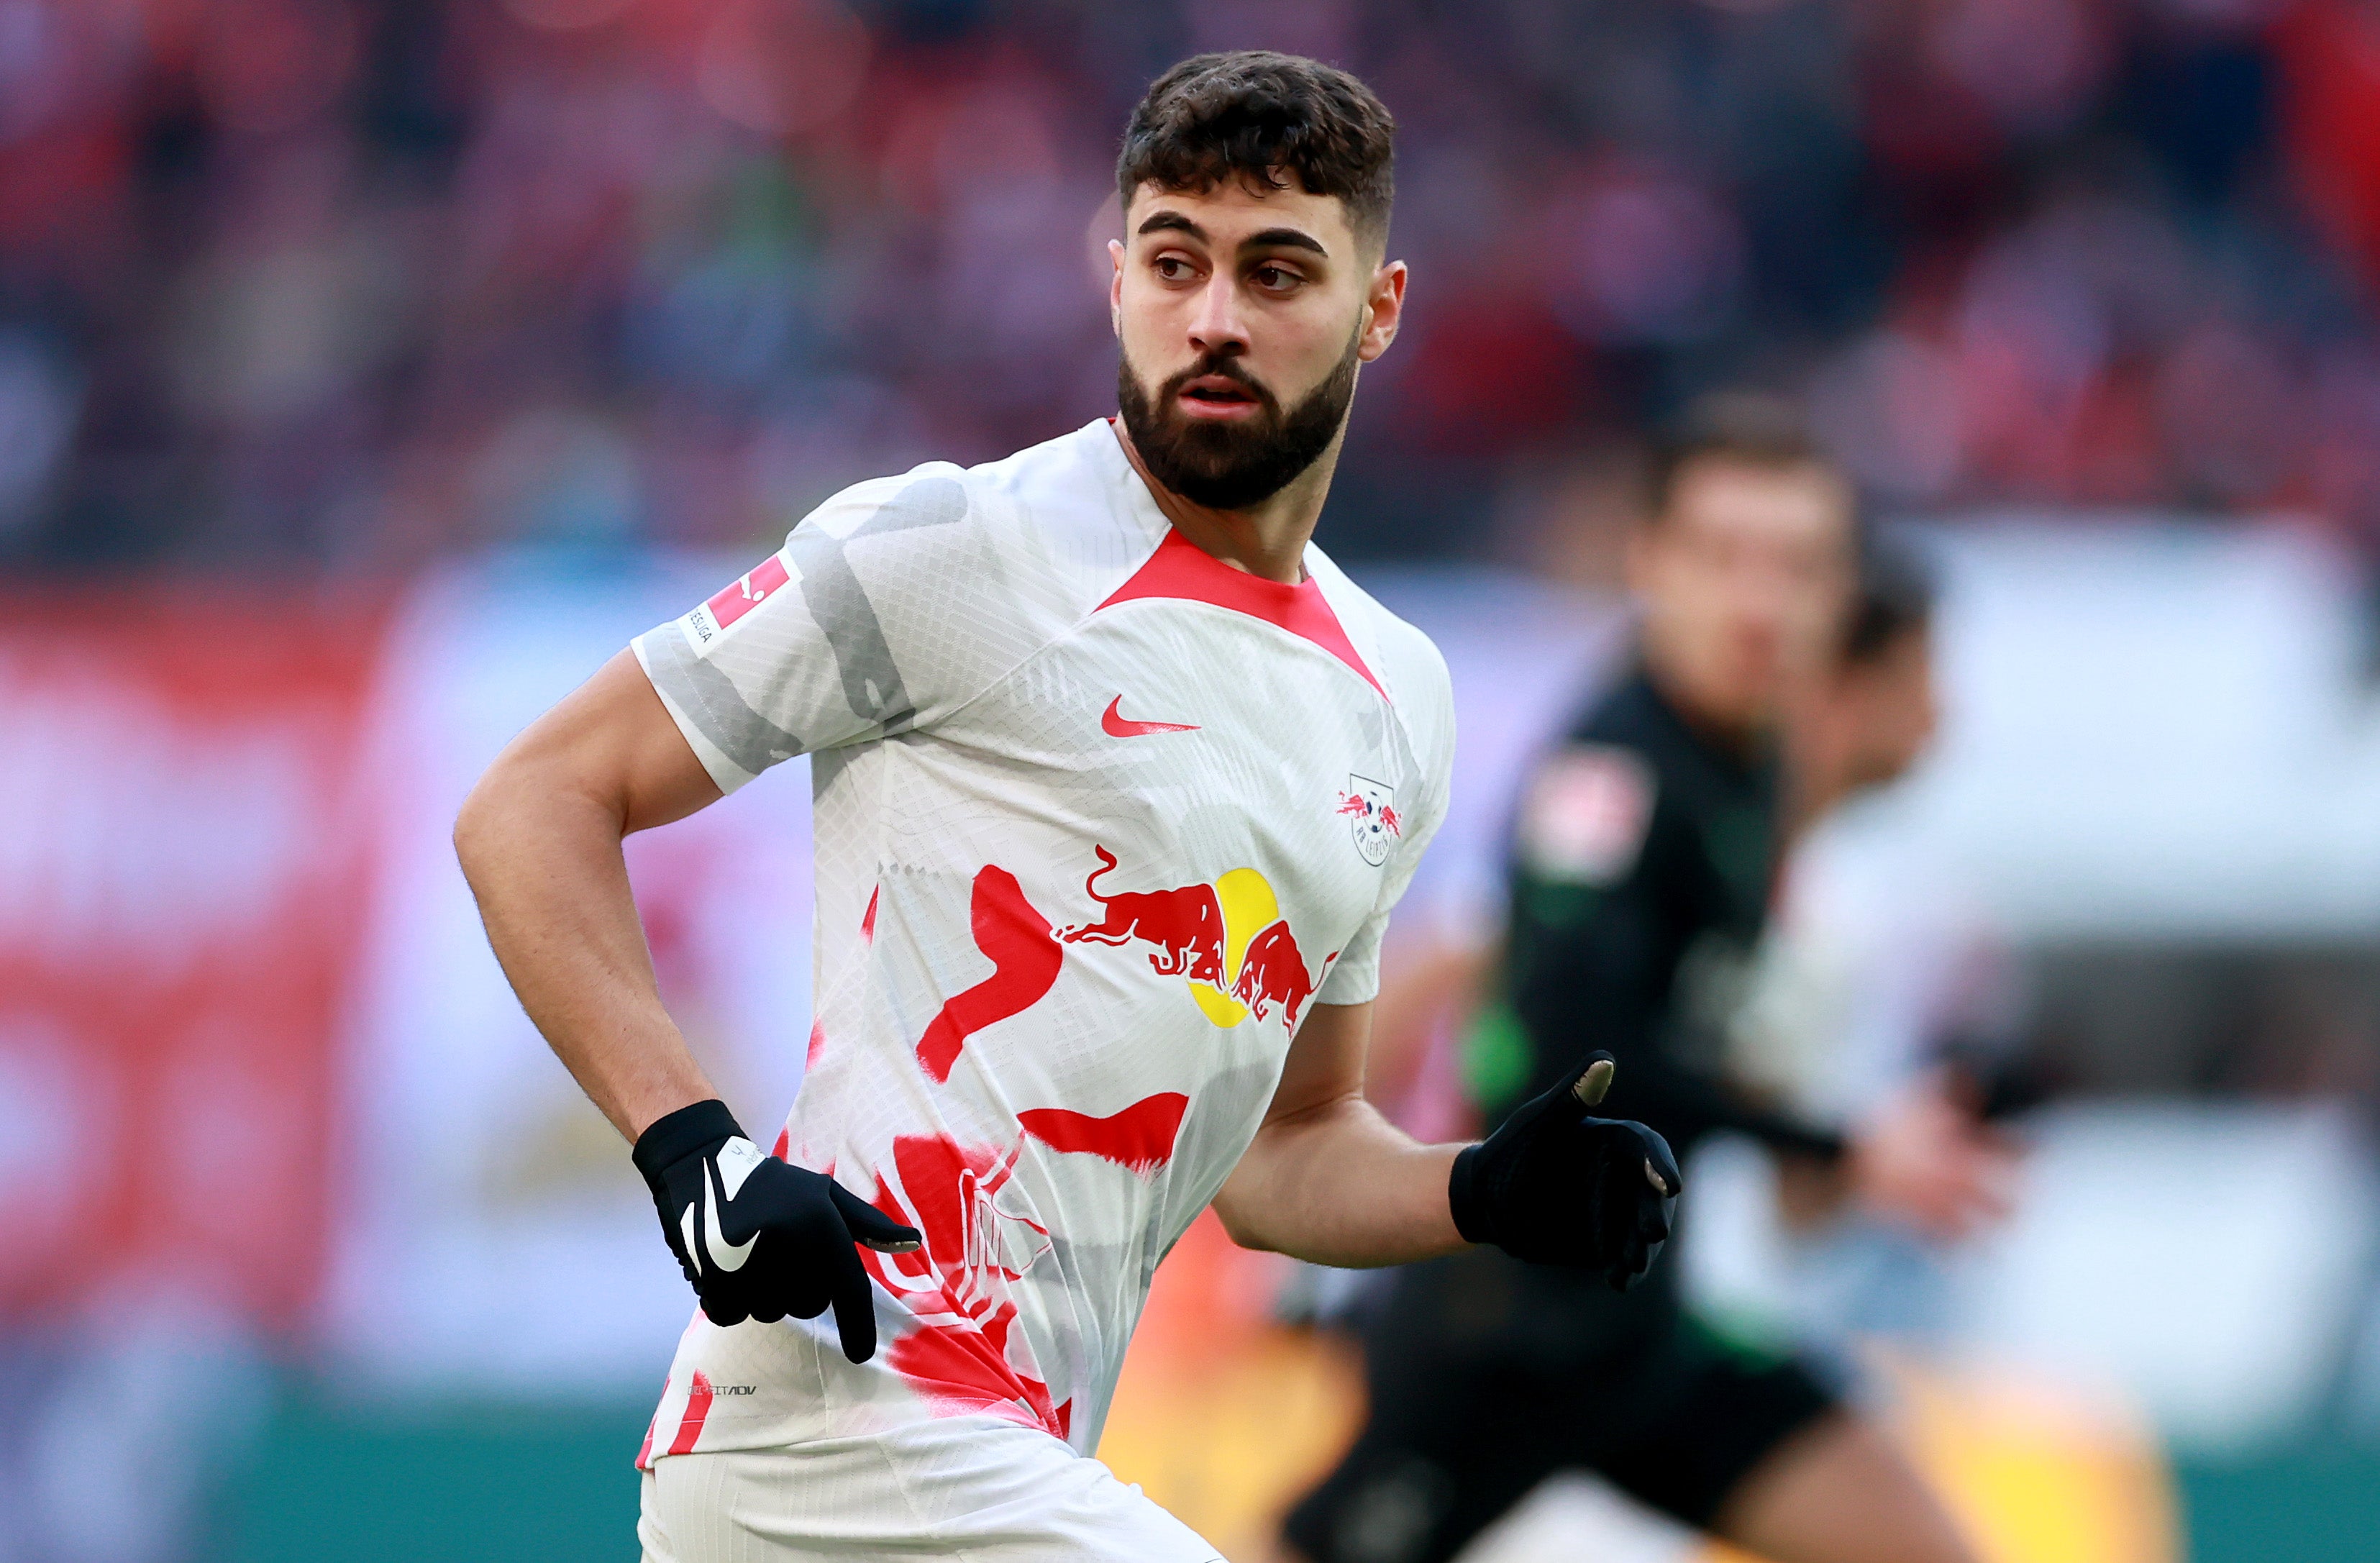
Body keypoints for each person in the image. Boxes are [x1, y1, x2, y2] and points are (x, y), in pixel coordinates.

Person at [454, 52, 1677, 1563]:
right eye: (1174, 263)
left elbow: (1286, 1156)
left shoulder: (1393, 698)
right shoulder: (957, 546)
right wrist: (691, 1151)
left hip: (1007, 1451)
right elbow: (533, 797)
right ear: (1115, 279)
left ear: (1379, 306)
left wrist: (1481, 1190)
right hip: (836, 1419)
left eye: (1275, 271)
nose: (1213, 319)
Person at [1281, 405, 2007, 1563]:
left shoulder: (1754, 766)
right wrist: (1834, 1139)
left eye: (1798, 566)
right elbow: (1585, 1049)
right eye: (1723, 559)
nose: (1759, 601)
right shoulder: (1611, 778)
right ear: (1648, 564)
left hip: (1640, 1334)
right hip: (1505, 1333)